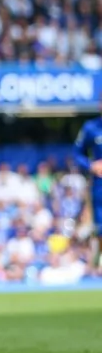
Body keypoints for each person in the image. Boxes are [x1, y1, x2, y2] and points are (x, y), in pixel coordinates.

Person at [74, 103, 102, 265]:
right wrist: (91, 165)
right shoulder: (91, 128)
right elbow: (77, 154)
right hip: (99, 186)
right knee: (100, 227)